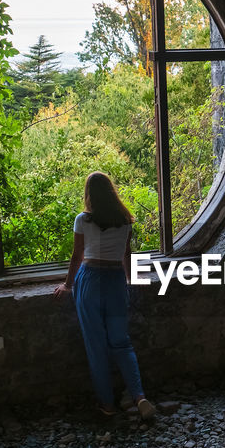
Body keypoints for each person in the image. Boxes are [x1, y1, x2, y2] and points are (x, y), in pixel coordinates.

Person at [53, 172, 156, 420]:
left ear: (89, 194)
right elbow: (126, 254)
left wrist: (67, 285)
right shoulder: (126, 220)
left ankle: (108, 404)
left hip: (90, 279)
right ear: (112, 192)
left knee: (96, 345)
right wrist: (131, 279)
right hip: (115, 281)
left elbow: (77, 256)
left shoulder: (83, 220)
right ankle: (139, 396)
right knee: (121, 342)